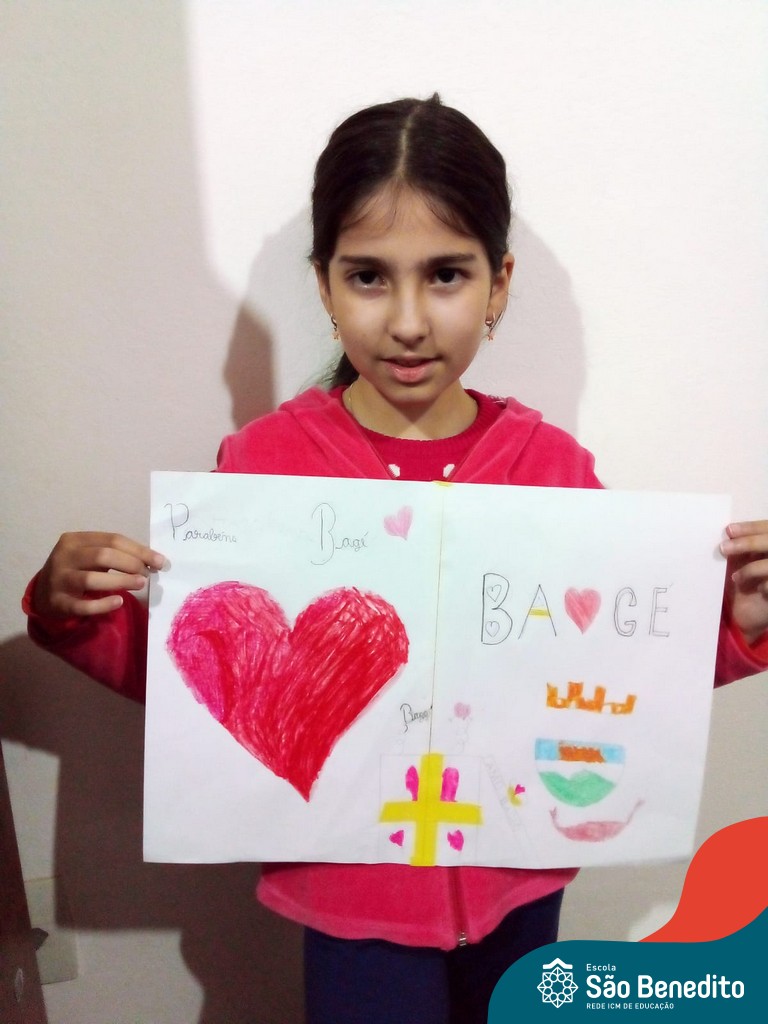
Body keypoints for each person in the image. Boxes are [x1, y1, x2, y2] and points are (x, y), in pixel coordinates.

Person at [23, 95, 768, 1024]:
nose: (408, 321)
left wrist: (735, 628)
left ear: (498, 284)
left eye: (446, 275)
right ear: (324, 285)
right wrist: (76, 612)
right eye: (369, 277)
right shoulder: (265, 468)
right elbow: (205, 685)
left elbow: (616, 673)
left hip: (518, 885)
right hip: (350, 901)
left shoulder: (552, 470)